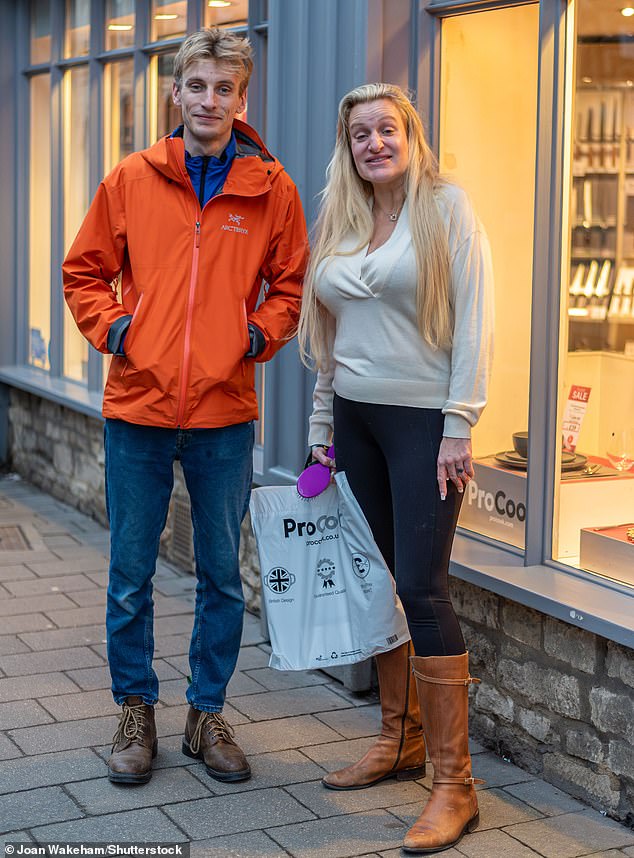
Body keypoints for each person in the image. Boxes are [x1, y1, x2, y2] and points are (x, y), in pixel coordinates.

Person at [63, 28, 307, 786]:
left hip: (224, 414)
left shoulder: (273, 189)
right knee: (129, 574)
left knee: (222, 578)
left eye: (224, 88)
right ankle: (136, 710)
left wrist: (256, 335)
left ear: (243, 96)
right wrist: (121, 331)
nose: (209, 100)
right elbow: (84, 272)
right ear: (176, 92)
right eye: (196, 86)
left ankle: (207, 714)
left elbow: (291, 286)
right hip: (136, 407)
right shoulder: (132, 178)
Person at [298, 83, 493, 853]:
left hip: (422, 424)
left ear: (409, 134)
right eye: (359, 134)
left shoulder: (447, 209)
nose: (374, 143)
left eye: (386, 129)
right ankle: (400, 739)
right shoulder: (343, 215)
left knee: (421, 584)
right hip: (354, 418)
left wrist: (458, 425)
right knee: (380, 580)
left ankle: (456, 784)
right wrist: (322, 429)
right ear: (347, 147)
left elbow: (475, 318)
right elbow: (331, 336)